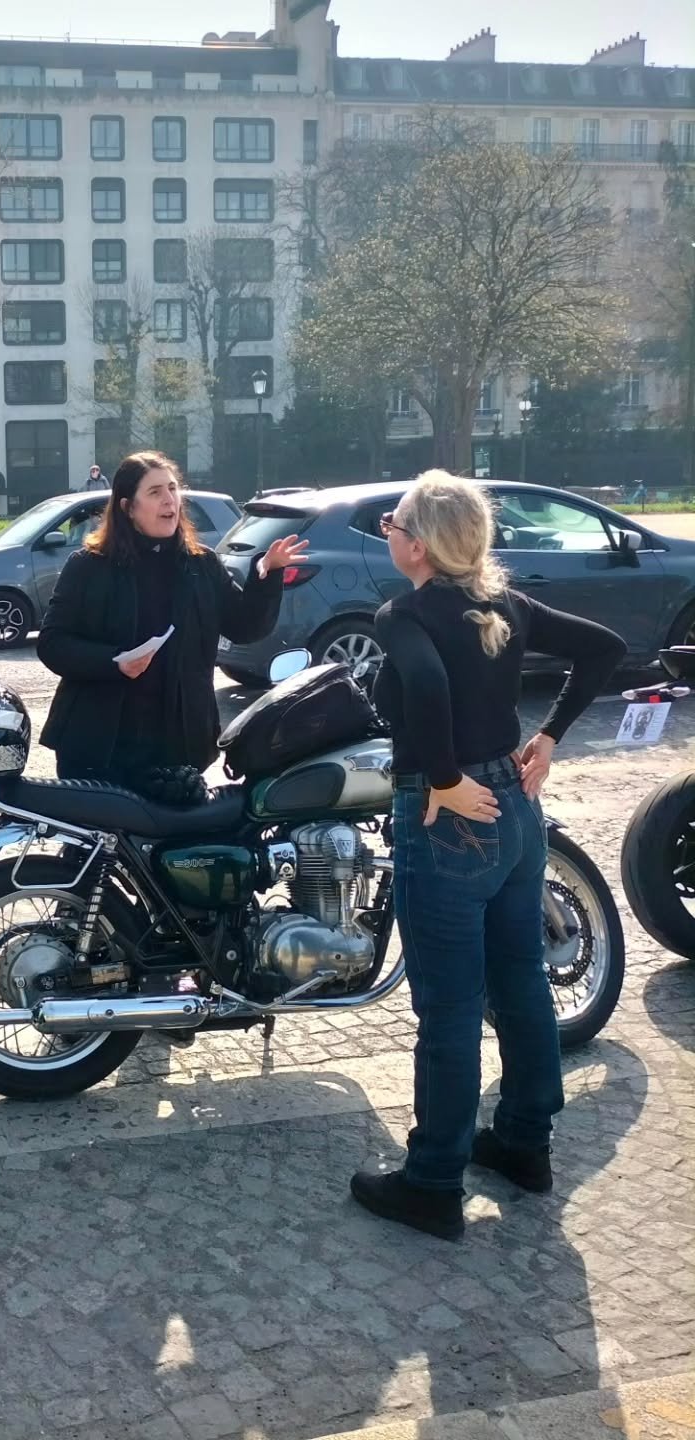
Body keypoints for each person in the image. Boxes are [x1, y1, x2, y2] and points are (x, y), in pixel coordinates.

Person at [350, 471, 625, 1241]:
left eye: (394, 522)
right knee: (520, 980)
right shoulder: (507, 604)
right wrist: (549, 736)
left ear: (420, 545)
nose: (388, 531)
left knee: (449, 1007)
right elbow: (603, 649)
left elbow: (427, 686)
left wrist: (442, 778)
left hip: (450, 818)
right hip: (516, 810)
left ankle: (432, 1181)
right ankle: (525, 1144)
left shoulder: (405, 613)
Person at [37, 451, 308, 787]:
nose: (170, 500)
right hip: (100, 746)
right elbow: (52, 644)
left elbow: (246, 627)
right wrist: (113, 662)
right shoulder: (89, 566)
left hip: (178, 748)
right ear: (128, 507)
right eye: (155, 492)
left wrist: (267, 576)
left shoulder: (201, 564)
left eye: (173, 489)